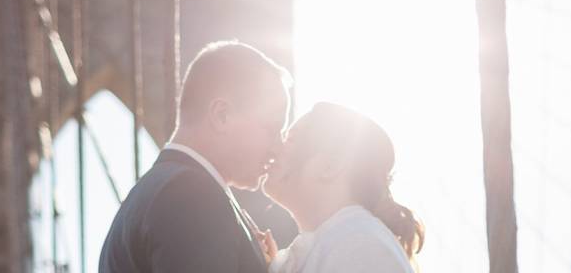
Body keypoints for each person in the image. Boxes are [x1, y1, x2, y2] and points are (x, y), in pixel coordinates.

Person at [99, 41, 291, 273]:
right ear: (222, 116)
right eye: (271, 129)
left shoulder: (158, 191)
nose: (278, 149)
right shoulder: (193, 196)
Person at [261, 102, 424, 273]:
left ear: (330, 166)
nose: (274, 149)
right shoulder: (342, 240)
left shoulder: (362, 247)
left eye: (290, 140)